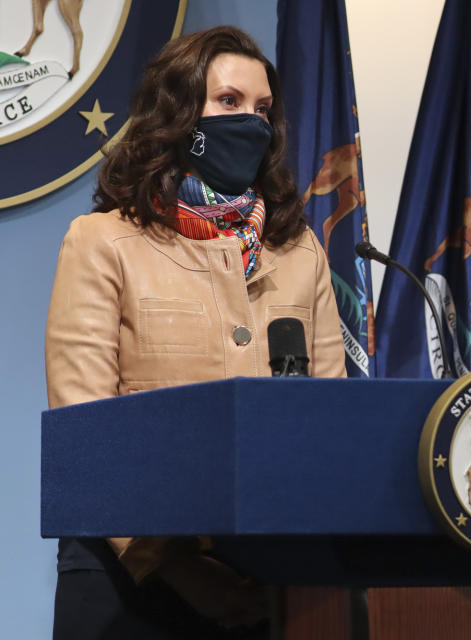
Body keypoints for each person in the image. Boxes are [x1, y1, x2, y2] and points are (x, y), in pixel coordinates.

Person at [44, 26, 347, 639]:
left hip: (269, 576)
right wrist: (176, 569)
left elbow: (328, 417)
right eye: (229, 103)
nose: (251, 122)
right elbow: (86, 427)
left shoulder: (300, 250)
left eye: (263, 109)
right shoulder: (103, 242)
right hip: (129, 580)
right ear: (179, 112)